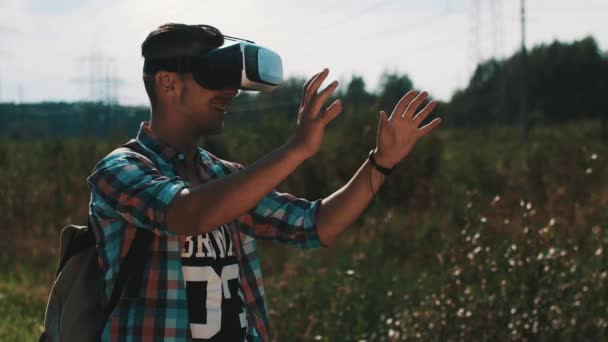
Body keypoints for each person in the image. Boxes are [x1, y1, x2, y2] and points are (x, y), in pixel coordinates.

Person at [86, 23, 442, 341]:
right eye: (214, 76)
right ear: (167, 82)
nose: (231, 92)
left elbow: (315, 226)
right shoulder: (120, 170)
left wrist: (380, 163)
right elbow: (186, 214)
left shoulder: (223, 177)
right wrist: (296, 149)